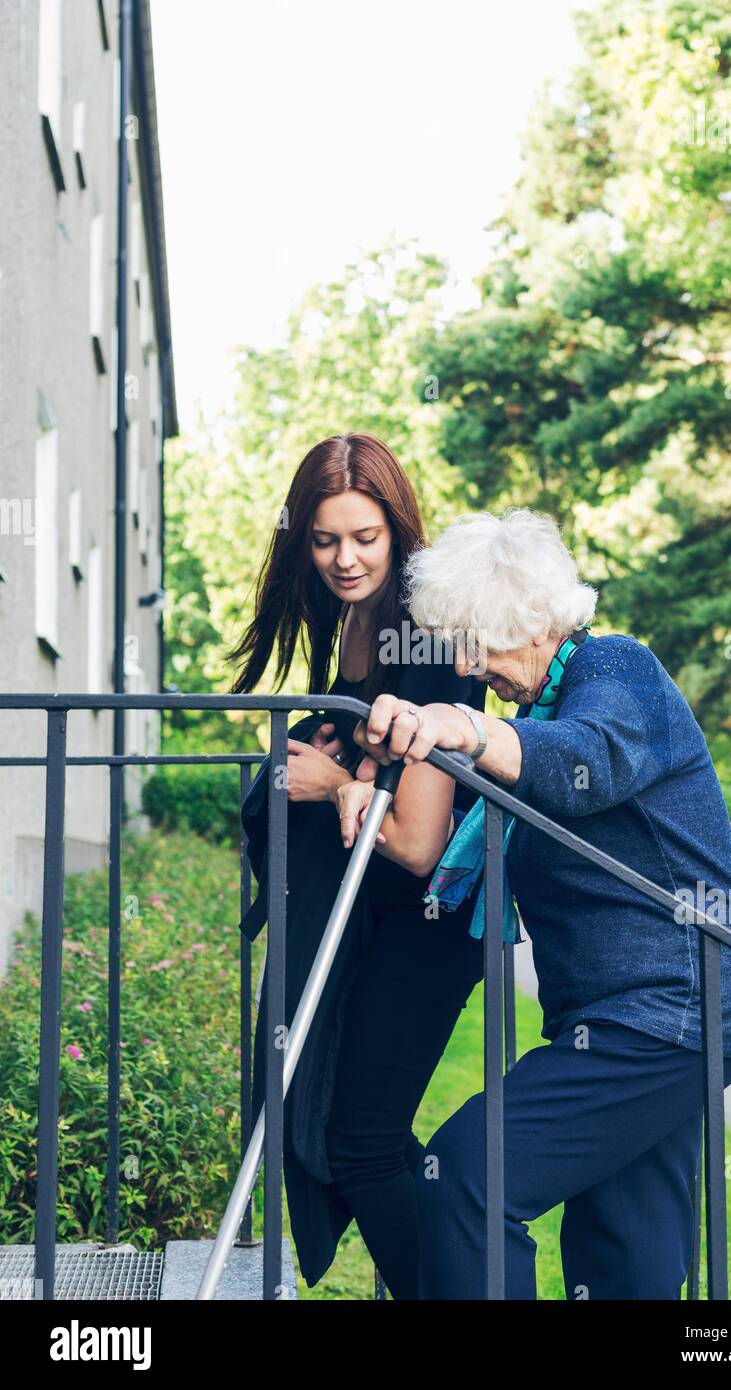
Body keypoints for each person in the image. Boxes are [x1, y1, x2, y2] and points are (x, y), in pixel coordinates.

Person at [345, 506, 731, 1300]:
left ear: (528, 620)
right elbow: (452, 838)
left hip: (674, 1008)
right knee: (628, 1248)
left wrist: (464, 726)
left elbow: (589, 761)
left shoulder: (616, 672)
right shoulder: (541, 711)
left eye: (476, 644)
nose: (471, 668)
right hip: (635, 1016)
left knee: (468, 1175)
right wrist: (372, 776)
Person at [226, 433, 486, 1299]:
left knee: (362, 1137)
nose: (345, 558)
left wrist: (332, 778)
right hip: (376, 917)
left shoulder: (433, 634)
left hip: (432, 919)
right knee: (350, 1128)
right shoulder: (350, 624)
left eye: (365, 538)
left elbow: (416, 842)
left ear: (398, 531)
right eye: (327, 539)